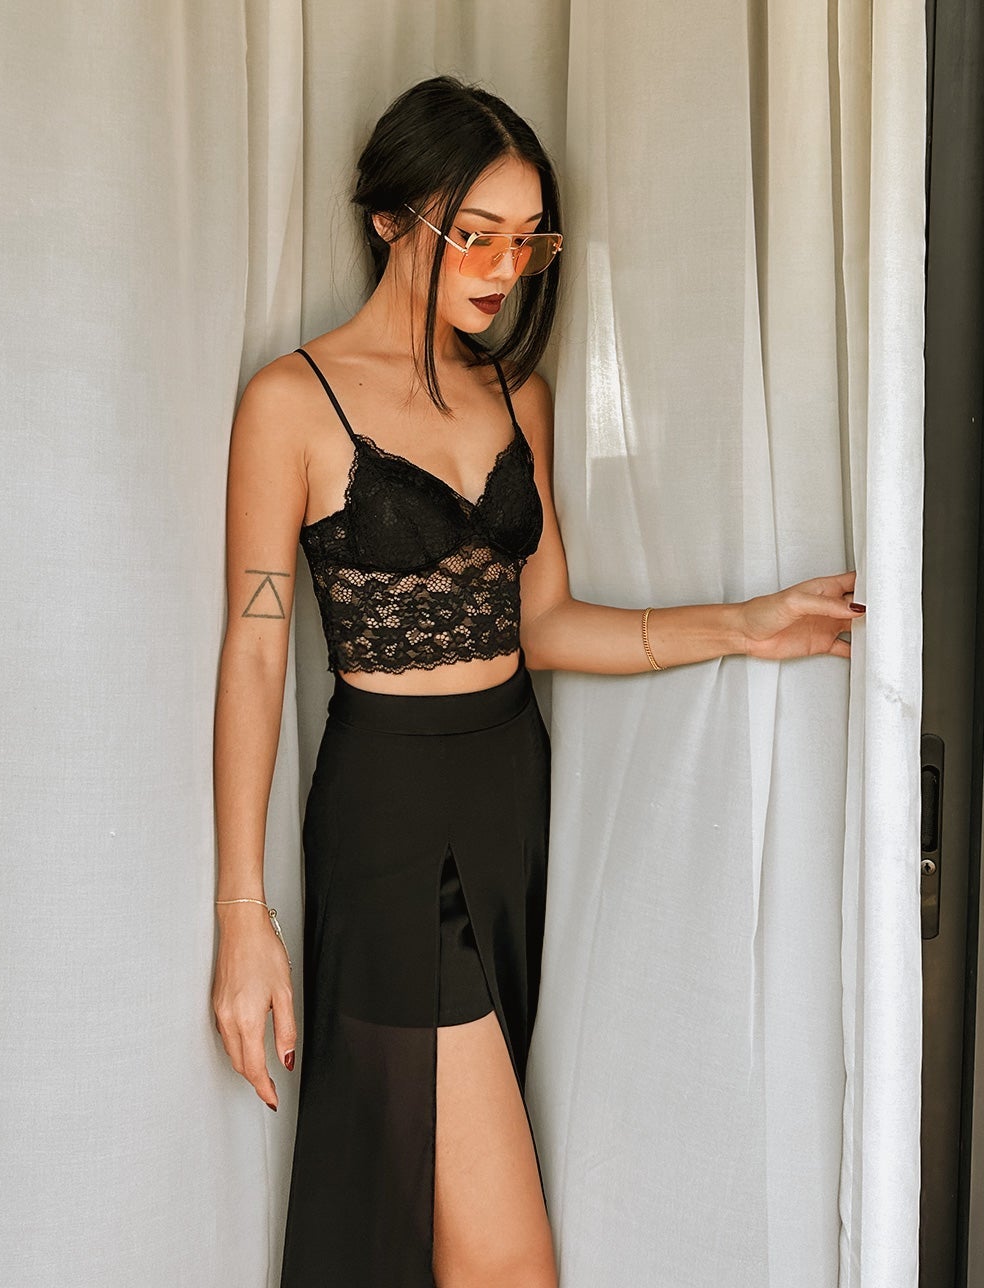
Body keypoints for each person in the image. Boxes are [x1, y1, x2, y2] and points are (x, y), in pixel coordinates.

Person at [211, 76, 865, 1288]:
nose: (507, 269)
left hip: (511, 800)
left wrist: (744, 625)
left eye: (528, 240)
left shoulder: (522, 397)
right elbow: (256, 651)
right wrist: (242, 916)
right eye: (479, 234)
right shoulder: (292, 403)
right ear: (390, 219)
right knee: (505, 1259)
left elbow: (544, 623)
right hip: (390, 825)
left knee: (443, 1227)